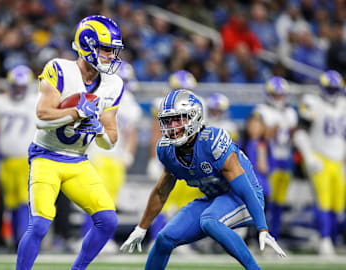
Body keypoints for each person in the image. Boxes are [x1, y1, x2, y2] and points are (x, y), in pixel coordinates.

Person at [121, 89, 286, 270]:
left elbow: (244, 188)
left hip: (245, 197)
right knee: (164, 239)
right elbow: (161, 192)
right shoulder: (167, 149)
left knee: (210, 220)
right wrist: (142, 228)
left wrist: (262, 227)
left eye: (178, 119)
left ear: (194, 117)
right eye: (168, 121)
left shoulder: (212, 142)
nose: (172, 126)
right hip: (213, 199)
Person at [16, 15, 124, 270]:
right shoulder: (59, 69)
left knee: (108, 221)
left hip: (78, 161)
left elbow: (111, 138)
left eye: (114, 50)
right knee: (41, 223)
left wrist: (97, 129)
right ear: (87, 45)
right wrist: (77, 113)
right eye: (106, 48)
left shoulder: (113, 84)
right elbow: (42, 117)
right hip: (46, 156)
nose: (111, 56)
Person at [82, 61, 142, 253]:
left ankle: (104, 239)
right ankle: (87, 237)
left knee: (110, 202)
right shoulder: (99, 96)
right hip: (98, 153)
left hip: (116, 157)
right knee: (94, 199)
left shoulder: (132, 105)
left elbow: (131, 132)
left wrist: (128, 154)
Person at [146, 70, 204, 252]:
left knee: (184, 202)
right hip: (168, 156)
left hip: (188, 158)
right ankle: (155, 239)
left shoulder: (198, 106)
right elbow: (156, 132)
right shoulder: (162, 104)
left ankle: (180, 241)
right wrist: (154, 158)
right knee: (164, 199)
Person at [293, 70, 345, 255]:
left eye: (335, 88)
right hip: (320, 158)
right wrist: (309, 156)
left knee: (338, 203)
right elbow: (300, 133)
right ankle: (324, 239)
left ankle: (332, 237)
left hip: (339, 161)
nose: (332, 91)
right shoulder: (313, 103)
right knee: (323, 201)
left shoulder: (343, 105)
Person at [0, 65, 37, 250]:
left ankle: (22, 240)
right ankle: (13, 240)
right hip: (6, 159)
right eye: (16, 85)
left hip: (27, 159)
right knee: (9, 202)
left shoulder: (36, 100)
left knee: (25, 201)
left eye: (23, 86)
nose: (19, 89)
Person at [253, 76, 298, 240]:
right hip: (268, 159)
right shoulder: (262, 110)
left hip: (285, 159)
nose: (279, 98)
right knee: (265, 201)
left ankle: (276, 237)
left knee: (279, 202)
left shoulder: (291, 112)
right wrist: (272, 130)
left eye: (281, 94)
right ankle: (260, 237)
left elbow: (293, 138)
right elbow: (259, 135)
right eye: (276, 94)